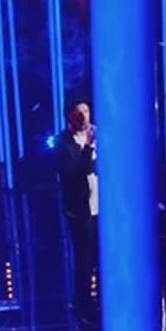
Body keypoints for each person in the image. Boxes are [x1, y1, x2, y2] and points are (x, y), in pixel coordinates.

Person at [58, 103, 98, 318]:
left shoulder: (99, 135)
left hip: (103, 206)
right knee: (85, 259)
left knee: (102, 256)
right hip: (80, 209)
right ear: (69, 117)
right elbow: (77, 170)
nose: (83, 117)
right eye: (78, 113)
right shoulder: (63, 142)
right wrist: (89, 147)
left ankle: (104, 301)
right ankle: (82, 305)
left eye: (86, 112)